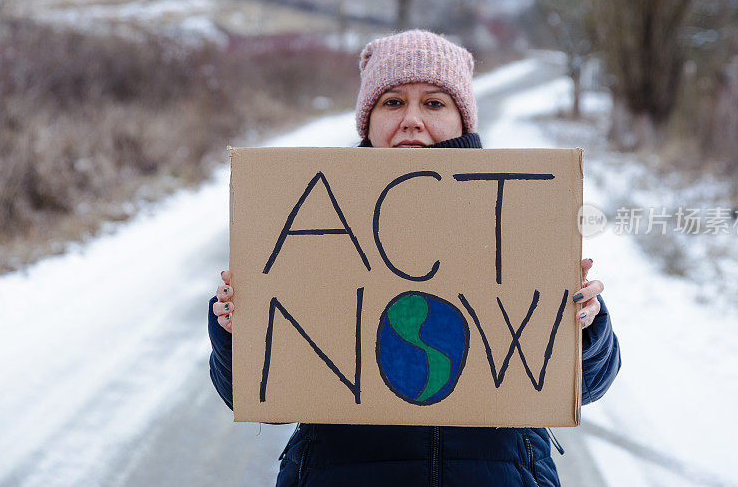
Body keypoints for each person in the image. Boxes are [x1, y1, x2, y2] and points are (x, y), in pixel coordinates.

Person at [208, 29, 621, 487]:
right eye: (392, 102)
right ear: (365, 122)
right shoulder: (312, 217)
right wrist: (235, 331)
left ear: (464, 121)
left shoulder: (520, 214)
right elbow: (249, 391)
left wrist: (585, 327)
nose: (410, 119)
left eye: (434, 103)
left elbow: (589, 385)